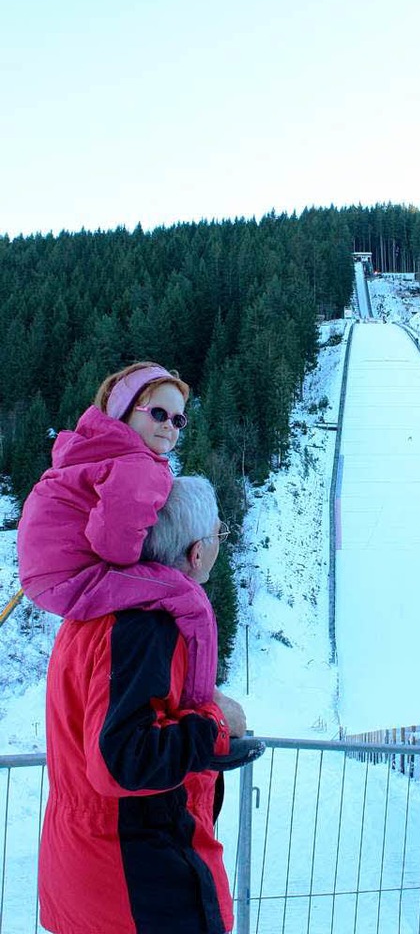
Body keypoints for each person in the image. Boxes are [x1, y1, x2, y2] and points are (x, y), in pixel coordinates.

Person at [38, 475, 264, 934]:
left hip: (87, 872)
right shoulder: (147, 627)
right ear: (197, 553)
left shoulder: (96, 608)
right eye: (220, 534)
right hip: (136, 886)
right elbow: (123, 760)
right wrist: (218, 724)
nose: (221, 544)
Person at [18, 361, 217, 706]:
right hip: (76, 577)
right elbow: (113, 545)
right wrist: (141, 559)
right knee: (190, 599)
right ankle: (197, 702)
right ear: (126, 412)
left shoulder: (94, 450)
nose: (169, 426)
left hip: (45, 574)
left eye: (178, 420)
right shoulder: (138, 466)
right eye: (158, 413)